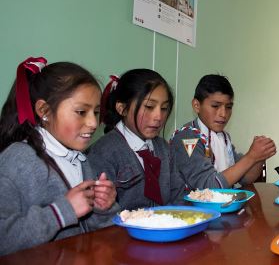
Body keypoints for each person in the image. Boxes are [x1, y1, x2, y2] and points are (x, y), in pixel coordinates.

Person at [0, 58, 118, 256]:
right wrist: (60, 212)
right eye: (81, 112)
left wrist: (103, 208)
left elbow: (95, 233)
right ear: (44, 111)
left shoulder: (81, 160)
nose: (92, 123)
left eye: (96, 112)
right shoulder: (18, 159)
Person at [87, 69, 187, 210]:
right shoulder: (103, 152)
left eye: (164, 108)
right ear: (122, 108)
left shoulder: (164, 148)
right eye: (149, 107)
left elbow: (178, 196)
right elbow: (100, 213)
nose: (158, 116)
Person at [169, 74, 276, 189]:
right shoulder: (188, 137)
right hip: (189, 206)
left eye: (228, 107)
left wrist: (260, 156)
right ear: (197, 105)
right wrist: (251, 157)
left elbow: (246, 178)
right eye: (215, 106)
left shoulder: (223, 138)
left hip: (221, 205)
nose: (223, 114)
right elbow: (208, 187)